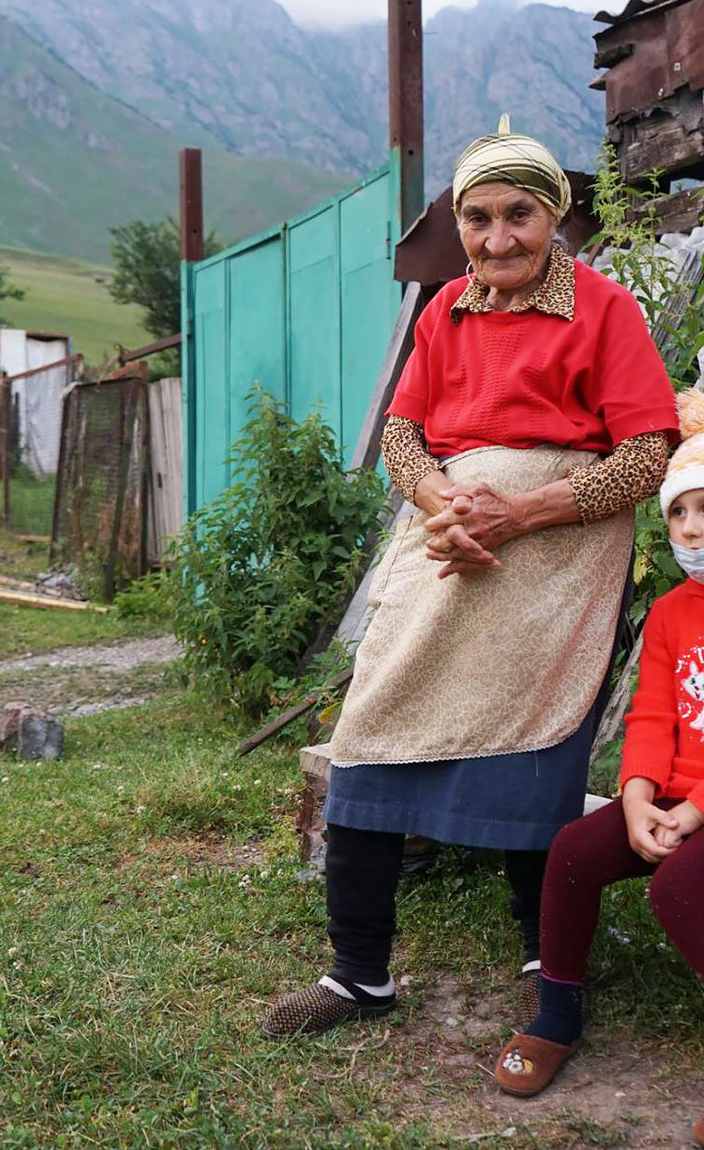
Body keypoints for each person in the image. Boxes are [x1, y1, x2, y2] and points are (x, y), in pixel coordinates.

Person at [260, 117, 679, 1038]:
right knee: (372, 725)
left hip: (556, 560)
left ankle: (548, 962)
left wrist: (519, 510)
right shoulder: (446, 309)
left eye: (518, 215)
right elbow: (404, 437)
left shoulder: (605, 309)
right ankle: (358, 974)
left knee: (533, 744)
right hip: (446, 547)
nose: (497, 239)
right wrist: (444, 500)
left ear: (555, 214)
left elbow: (647, 453)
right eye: (479, 219)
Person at [490, 390, 704, 1150]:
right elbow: (652, 715)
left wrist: (696, 814)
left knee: (680, 887)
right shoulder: (677, 610)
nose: (688, 528)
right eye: (678, 513)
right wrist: (639, 798)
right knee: (575, 850)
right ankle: (558, 1010)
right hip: (677, 799)